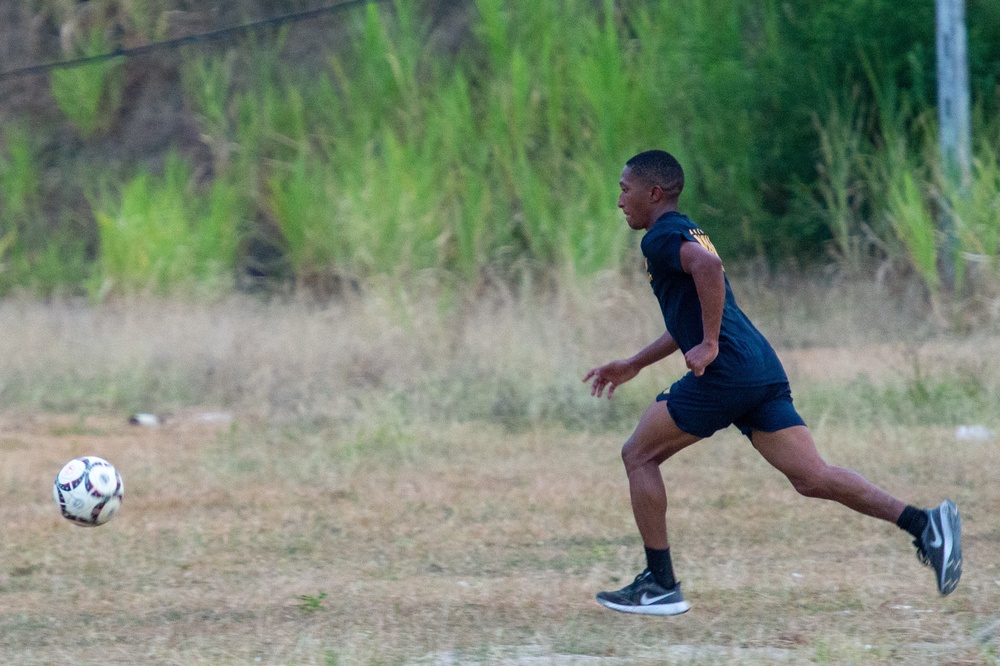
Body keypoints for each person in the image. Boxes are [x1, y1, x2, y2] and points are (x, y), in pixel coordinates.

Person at [583, 149, 962, 616]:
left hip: (727, 373)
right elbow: (693, 310)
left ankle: (659, 585)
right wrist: (635, 363)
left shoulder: (659, 238)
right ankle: (926, 525)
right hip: (758, 366)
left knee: (639, 455)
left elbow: (709, 270)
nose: (620, 200)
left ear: (654, 193)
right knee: (812, 477)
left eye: (625, 190)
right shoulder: (686, 229)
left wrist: (709, 344)